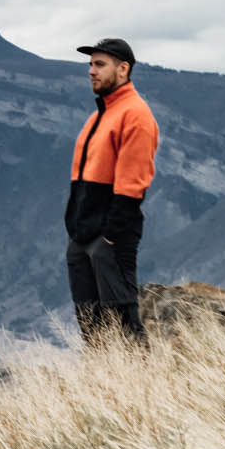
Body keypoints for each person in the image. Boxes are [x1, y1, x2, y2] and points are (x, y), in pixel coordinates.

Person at [63, 37, 160, 345]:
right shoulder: (100, 115)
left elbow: (132, 186)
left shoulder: (135, 115)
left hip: (109, 237)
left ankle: (140, 382)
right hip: (83, 237)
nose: (92, 71)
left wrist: (109, 238)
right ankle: (104, 384)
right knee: (90, 324)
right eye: (90, 64)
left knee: (123, 320)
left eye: (100, 64)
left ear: (123, 69)